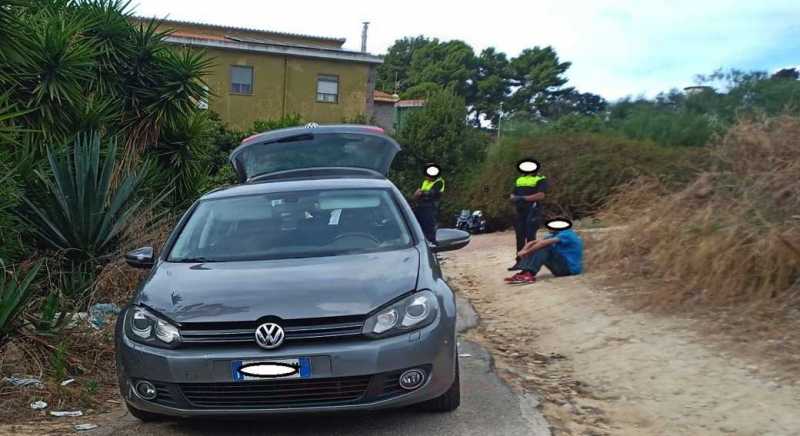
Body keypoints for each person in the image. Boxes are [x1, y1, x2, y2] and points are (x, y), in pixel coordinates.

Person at [505, 218, 583, 285]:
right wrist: (524, 250)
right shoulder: (555, 234)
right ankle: (525, 272)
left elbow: (543, 243)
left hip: (569, 269)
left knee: (544, 246)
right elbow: (533, 242)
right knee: (536, 246)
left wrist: (526, 252)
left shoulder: (567, 233)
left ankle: (529, 274)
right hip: (561, 268)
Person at [508, 159, 548, 271]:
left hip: (533, 210)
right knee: (519, 237)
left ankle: (530, 263)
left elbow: (541, 195)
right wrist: (514, 198)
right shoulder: (519, 179)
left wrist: (523, 198)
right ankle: (519, 262)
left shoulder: (540, 179)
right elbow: (512, 194)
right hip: (520, 211)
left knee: (530, 237)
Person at [413, 163, 445, 243]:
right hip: (420, 207)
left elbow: (432, 193)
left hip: (430, 208)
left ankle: (431, 243)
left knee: (429, 228)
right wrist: (418, 195)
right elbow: (417, 194)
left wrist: (421, 193)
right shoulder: (425, 182)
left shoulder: (439, 182)